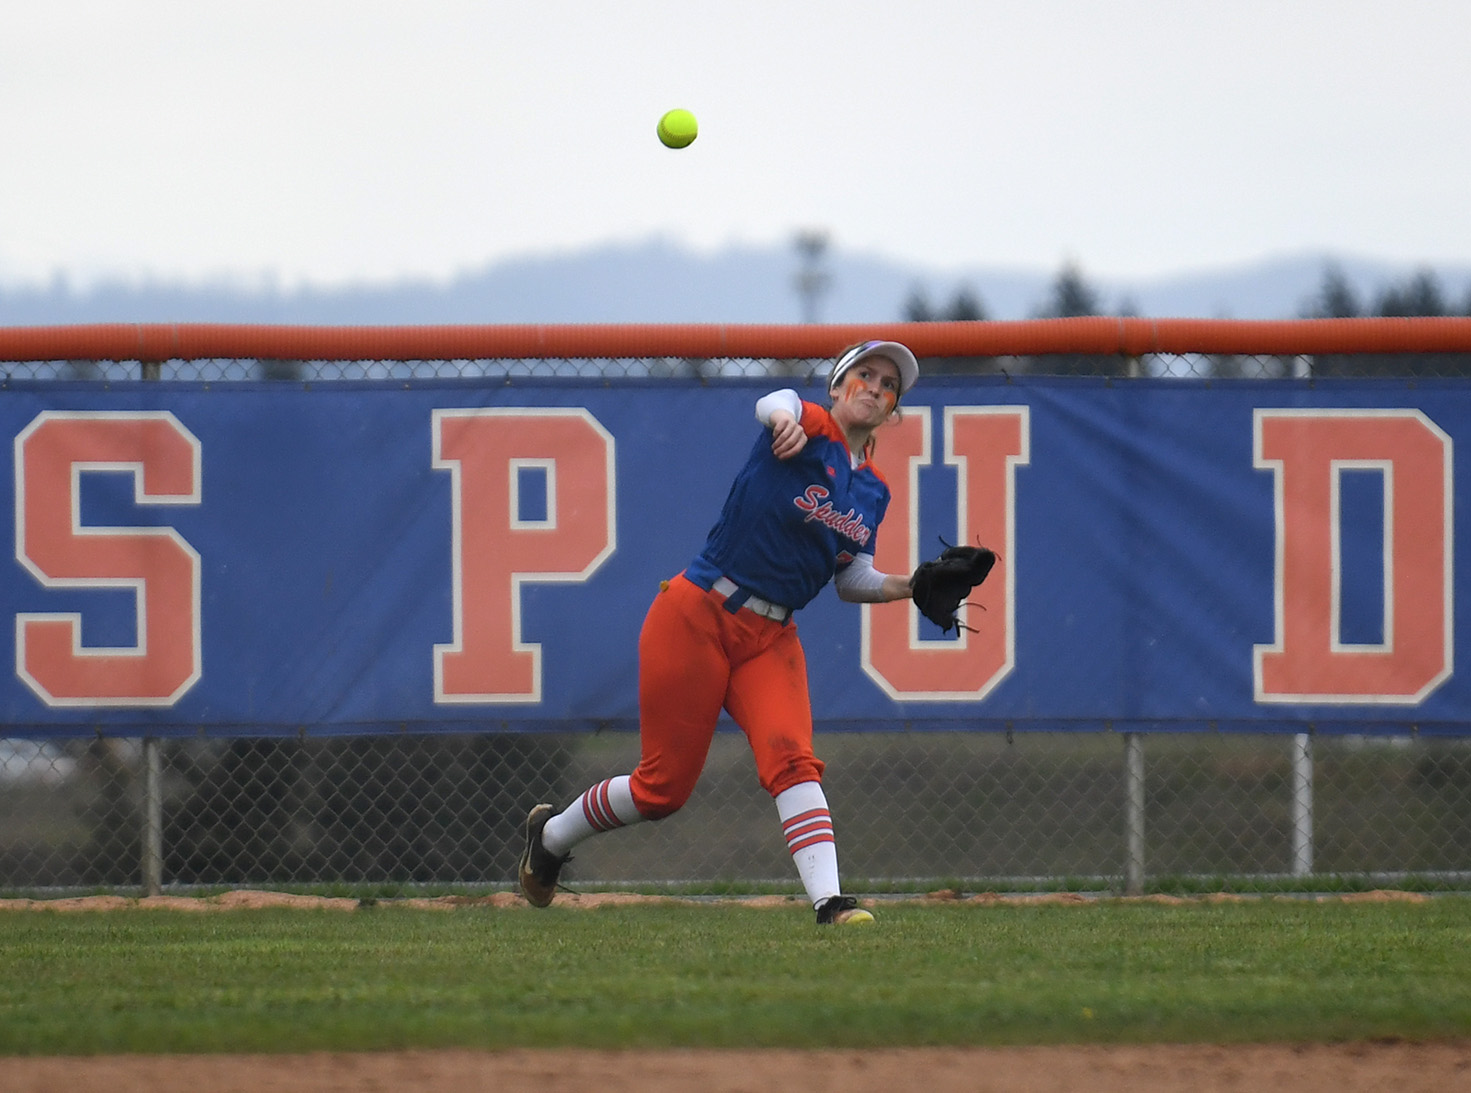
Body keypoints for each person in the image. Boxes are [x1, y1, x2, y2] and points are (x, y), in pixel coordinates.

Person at [519, 340, 923, 926]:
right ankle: (551, 837)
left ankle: (831, 904)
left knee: (794, 761)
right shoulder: (809, 426)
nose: (876, 388)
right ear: (837, 387)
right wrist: (783, 416)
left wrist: (909, 585)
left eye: (889, 385)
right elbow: (775, 399)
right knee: (661, 790)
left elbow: (850, 575)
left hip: (772, 636)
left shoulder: (874, 490)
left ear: (893, 410)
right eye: (865, 374)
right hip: (699, 613)